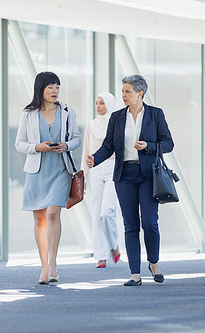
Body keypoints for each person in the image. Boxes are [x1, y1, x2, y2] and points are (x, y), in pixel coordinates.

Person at [86, 75, 174, 286]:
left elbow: (168, 143)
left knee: (150, 223)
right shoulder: (117, 117)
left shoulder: (155, 114)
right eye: (123, 91)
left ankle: (153, 262)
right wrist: (94, 159)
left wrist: (149, 147)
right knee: (130, 225)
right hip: (124, 175)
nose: (123, 95)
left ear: (140, 93)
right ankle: (135, 273)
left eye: (127, 91)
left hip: (147, 175)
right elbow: (108, 146)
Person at [15, 71, 81, 285]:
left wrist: (66, 145)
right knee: (39, 219)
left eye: (57, 87)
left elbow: (76, 139)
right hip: (37, 170)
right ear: (40, 89)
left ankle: (52, 265)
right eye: (50, 87)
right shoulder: (28, 113)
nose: (55, 91)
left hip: (60, 169)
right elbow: (19, 144)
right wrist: (37, 147)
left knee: (53, 214)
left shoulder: (68, 112)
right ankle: (44, 265)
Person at [81, 92, 120, 269]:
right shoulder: (91, 125)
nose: (98, 106)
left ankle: (114, 246)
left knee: (107, 211)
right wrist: (83, 176)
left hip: (113, 168)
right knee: (96, 213)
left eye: (102, 103)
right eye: (96, 103)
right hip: (95, 171)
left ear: (109, 105)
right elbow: (86, 152)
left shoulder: (117, 124)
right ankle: (101, 256)